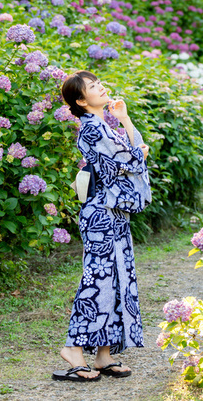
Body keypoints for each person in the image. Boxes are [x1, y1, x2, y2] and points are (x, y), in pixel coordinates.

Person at [52, 70, 152, 382]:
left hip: (114, 213)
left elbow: (136, 152)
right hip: (100, 215)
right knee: (98, 280)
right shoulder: (91, 130)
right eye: (93, 87)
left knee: (118, 279)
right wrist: (135, 150)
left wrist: (124, 119)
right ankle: (72, 348)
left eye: (99, 83)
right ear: (81, 100)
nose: (101, 87)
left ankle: (103, 354)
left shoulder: (104, 125)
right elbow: (136, 158)